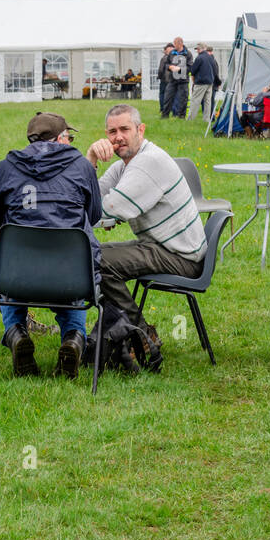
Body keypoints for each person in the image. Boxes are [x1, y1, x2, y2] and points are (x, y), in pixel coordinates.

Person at [0, 112, 101, 378]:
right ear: (60, 138)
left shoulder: (7, 167)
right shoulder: (82, 167)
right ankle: (74, 338)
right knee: (72, 281)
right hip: (73, 277)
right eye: (69, 137)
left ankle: (16, 333)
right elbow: (95, 215)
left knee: (7, 278)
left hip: (17, 277)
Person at [85, 104, 206, 369]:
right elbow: (89, 194)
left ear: (141, 130)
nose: (118, 137)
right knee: (96, 256)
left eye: (125, 129)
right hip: (163, 247)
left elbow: (107, 207)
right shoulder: (124, 166)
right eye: (112, 131)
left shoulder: (148, 162)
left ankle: (141, 335)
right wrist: (91, 158)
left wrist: (101, 209)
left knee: (97, 259)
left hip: (180, 255)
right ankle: (119, 340)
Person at [186, 41, 217, 121]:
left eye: (198, 49)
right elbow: (214, 69)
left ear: (200, 49)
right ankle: (206, 119)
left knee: (195, 100)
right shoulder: (210, 57)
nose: (197, 51)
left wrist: (194, 81)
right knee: (207, 102)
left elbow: (193, 71)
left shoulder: (199, 58)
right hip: (210, 82)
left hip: (201, 82)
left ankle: (190, 119)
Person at [165, 37, 193, 118]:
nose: (174, 45)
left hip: (183, 81)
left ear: (180, 43)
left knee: (183, 99)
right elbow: (166, 64)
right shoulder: (172, 53)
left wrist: (180, 69)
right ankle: (165, 115)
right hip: (172, 80)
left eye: (175, 44)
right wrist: (170, 67)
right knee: (168, 97)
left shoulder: (188, 53)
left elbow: (190, 67)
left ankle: (181, 116)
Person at [156, 44, 174, 118]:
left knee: (162, 94)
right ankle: (169, 109)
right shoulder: (173, 58)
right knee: (170, 95)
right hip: (171, 79)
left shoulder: (164, 58)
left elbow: (160, 70)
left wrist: (159, 77)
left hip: (164, 79)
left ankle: (163, 109)